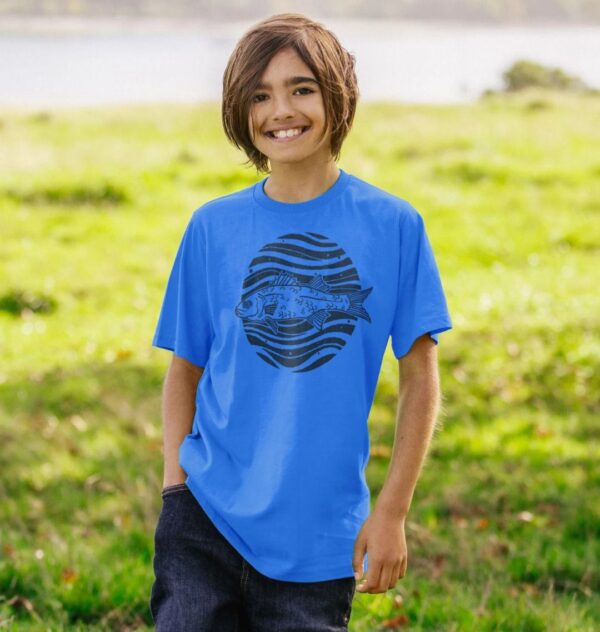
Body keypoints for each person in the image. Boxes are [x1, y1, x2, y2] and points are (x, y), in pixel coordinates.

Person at [149, 12, 452, 632]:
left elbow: (420, 377)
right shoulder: (212, 227)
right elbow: (185, 366)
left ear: (337, 96)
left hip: (320, 535)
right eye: (259, 95)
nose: (279, 110)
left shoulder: (394, 226)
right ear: (239, 110)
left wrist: (392, 512)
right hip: (204, 516)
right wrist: (175, 488)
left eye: (301, 88)